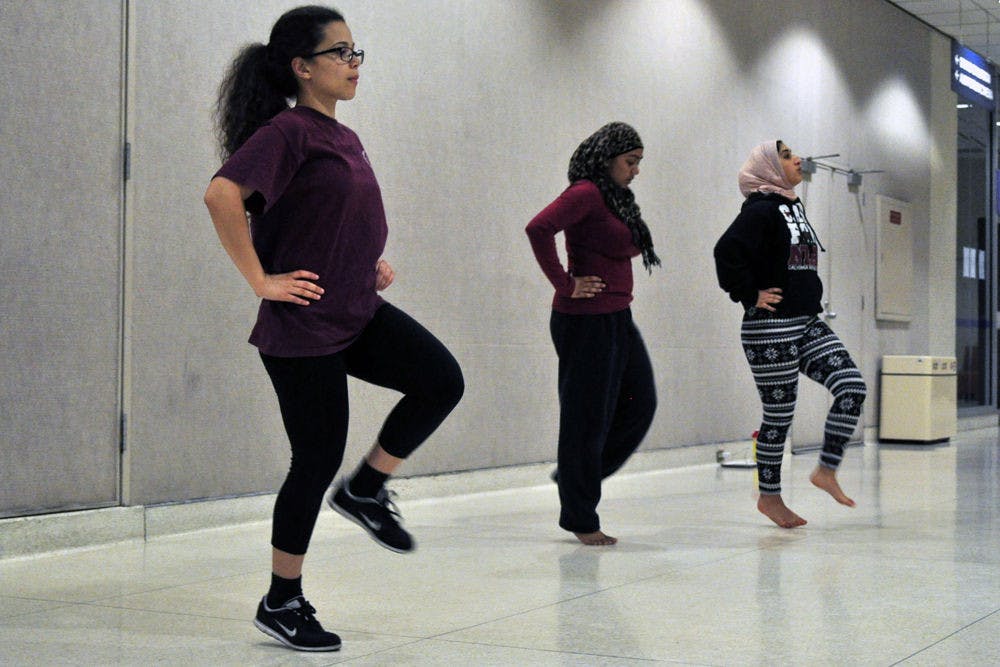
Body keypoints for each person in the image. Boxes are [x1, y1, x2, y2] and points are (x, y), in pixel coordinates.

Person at [203, 5, 463, 652]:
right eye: (340, 53)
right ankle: (281, 599)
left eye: (356, 52)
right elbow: (222, 194)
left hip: (354, 308)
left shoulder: (338, 134)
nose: (353, 64)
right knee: (314, 458)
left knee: (440, 380)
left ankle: (369, 487)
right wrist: (261, 280)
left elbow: (324, 213)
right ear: (302, 67)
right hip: (302, 327)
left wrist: (362, 259)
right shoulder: (288, 130)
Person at [713, 140, 867, 529]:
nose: (796, 159)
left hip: (807, 321)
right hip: (770, 328)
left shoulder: (789, 205)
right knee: (779, 416)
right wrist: (748, 293)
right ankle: (770, 498)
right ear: (768, 166)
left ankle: (826, 470)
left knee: (851, 386)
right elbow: (725, 251)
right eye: (785, 155)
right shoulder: (762, 209)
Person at [525, 122, 660, 546]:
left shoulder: (617, 199)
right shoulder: (585, 192)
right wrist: (565, 284)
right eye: (630, 162)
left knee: (641, 403)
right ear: (607, 159)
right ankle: (581, 516)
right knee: (586, 419)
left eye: (638, 163)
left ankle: (575, 474)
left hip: (617, 316)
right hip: (584, 320)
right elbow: (538, 229)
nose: (635, 171)